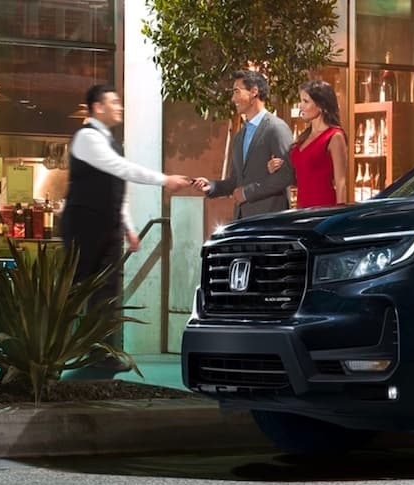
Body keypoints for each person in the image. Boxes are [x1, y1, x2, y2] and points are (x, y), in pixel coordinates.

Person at [61, 84, 192, 380]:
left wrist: (129, 228)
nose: (119, 106)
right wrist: (164, 179)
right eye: (113, 102)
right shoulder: (87, 138)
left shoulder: (111, 142)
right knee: (72, 292)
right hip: (83, 228)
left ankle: (101, 355)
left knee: (106, 295)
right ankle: (53, 352)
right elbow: (119, 168)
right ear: (97, 107)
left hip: (107, 229)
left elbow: (116, 189)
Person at [196, 70, 296, 218]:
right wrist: (212, 186)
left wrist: (247, 193)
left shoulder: (276, 128)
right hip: (242, 219)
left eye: (237, 92)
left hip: (269, 219)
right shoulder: (239, 136)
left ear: (254, 92)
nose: (233, 98)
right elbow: (236, 181)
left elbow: (286, 175)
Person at [267, 79, 349, 208]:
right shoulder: (303, 138)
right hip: (302, 209)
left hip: (324, 209)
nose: (300, 106)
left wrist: (338, 216)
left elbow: (341, 182)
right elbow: (300, 175)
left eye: (306, 101)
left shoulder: (335, 136)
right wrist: (275, 168)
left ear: (321, 106)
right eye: (301, 101)